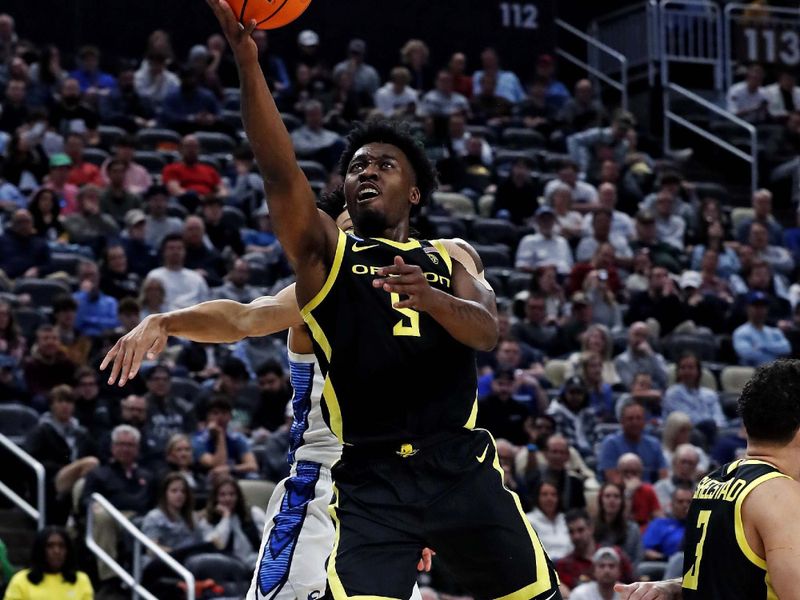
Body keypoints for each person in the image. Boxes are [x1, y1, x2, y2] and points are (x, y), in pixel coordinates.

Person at [3, 526, 93, 600]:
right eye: (50, 546)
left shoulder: (81, 580)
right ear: (40, 550)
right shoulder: (21, 581)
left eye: (61, 546)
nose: (57, 551)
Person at [197, 476, 265, 569]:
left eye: (232, 494)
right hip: (226, 566)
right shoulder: (207, 521)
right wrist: (226, 517)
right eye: (222, 495)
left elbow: (268, 539)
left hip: (255, 561)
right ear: (215, 497)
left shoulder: (254, 513)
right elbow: (219, 545)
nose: (228, 498)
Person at [594, 482, 643, 565]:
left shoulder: (633, 529)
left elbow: (637, 559)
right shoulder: (591, 528)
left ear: (622, 502)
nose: (612, 500)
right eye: (607, 496)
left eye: (616, 496)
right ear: (601, 500)